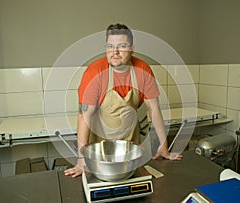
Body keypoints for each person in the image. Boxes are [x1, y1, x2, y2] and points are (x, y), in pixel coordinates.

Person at [64, 23, 182, 178]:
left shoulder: (143, 70)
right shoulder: (94, 73)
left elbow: (154, 109)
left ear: (132, 48)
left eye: (122, 46)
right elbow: (84, 116)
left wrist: (163, 145)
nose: (115, 52)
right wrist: (81, 160)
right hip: (100, 152)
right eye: (110, 46)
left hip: (130, 149)